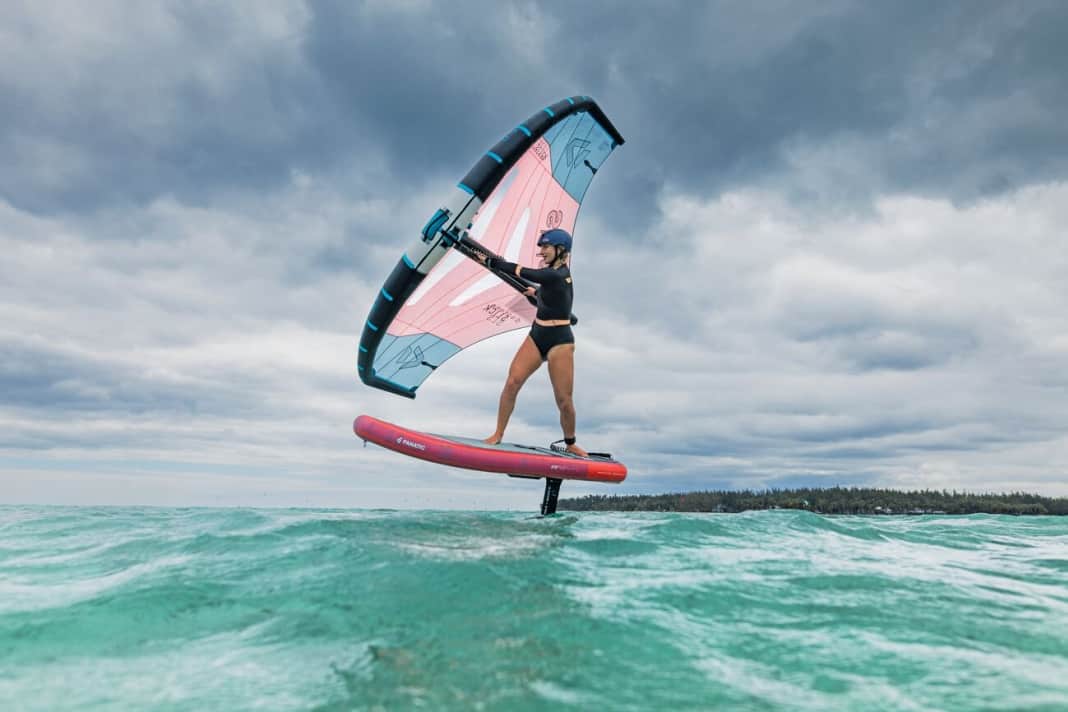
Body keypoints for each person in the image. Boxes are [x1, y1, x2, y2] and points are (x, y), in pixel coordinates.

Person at [476, 229, 588, 457]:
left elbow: (523, 272)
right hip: (537, 335)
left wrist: (490, 262)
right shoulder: (550, 276)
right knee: (512, 381)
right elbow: (548, 297)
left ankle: (570, 442)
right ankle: (497, 434)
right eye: (541, 247)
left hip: (560, 342)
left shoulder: (558, 275)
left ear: (561, 251)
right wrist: (535, 294)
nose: (542, 251)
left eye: (546, 247)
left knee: (564, 400)